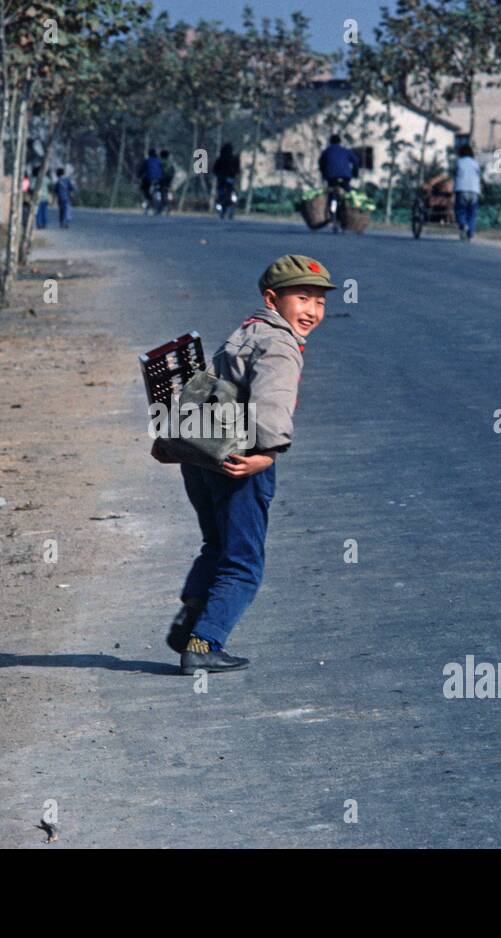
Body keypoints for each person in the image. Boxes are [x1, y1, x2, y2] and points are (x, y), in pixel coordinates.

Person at [154, 254, 335, 674]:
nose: (312, 311)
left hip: (201, 457)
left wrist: (170, 440)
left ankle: (192, 617)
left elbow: (200, 389)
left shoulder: (245, 332)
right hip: (241, 461)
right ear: (272, 299)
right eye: (303, 299)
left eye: (321, 302)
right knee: (244, 561)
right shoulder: (281, 344)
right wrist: (265, 456)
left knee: (216, 544)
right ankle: (204, 642)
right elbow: (272, 405)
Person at [452, 144, 481, 241]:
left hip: (462, 189)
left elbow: (455, 174)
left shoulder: (459, 162)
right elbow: (478, 175)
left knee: (460, 210)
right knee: (472, 214)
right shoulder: (475, 163)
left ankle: (463, 224)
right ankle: (470, 234)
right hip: (474, 191)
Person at [213, 142, 241, 219]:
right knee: (228, 196)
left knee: (224, 196)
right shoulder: (233, 159)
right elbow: (237, 170)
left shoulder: (221, 159)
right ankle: (226, 210)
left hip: (223, 181)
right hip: (227, 181)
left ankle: (223, 210)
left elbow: (214, 170)